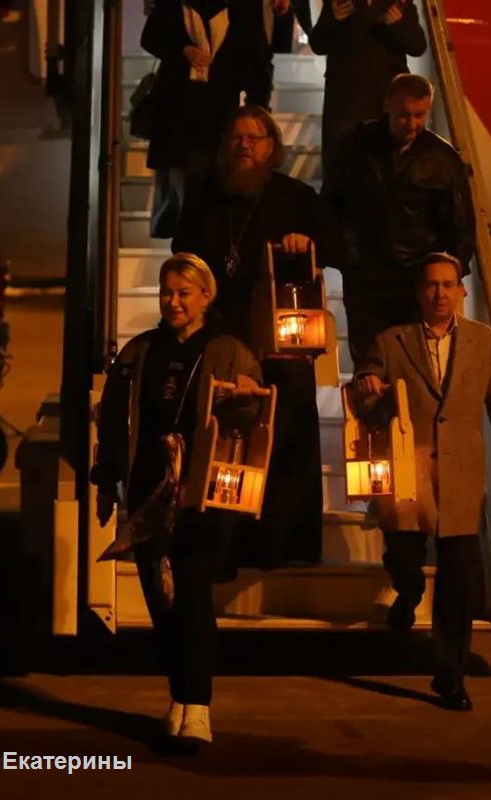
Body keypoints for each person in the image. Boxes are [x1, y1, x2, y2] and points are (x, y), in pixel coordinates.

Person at [92, 253, 264, 744]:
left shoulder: (230, 350)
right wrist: (107, 480)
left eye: (183, 293)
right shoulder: (140, 350)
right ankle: (179, 697)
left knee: (191, 591)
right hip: (150, 489)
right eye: (166, 292)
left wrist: (247, 396)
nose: (173, 302)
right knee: (161, 600)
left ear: (206, 297)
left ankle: (198, 706)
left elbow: (252, 420)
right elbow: (113, 420)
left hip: (205, 491)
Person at [174, 106, 347, 567]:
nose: (244, 145)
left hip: (281, 338)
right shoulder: (205, 198)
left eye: (255, 138)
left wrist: (305, 244)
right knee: (225, 443)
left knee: (287, 440)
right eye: (236, 138)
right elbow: (183, 254)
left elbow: (338, 247)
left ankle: (285, 548)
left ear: (273, 148)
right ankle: (224, 549)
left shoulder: (295, 197)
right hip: (224, 337)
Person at [350, 253, 491, 712]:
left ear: (462, 291)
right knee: (405, 555)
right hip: (409, 468)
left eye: (448, 285)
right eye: (431, 285)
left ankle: (450, 676)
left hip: (460, 474)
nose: (440, 293)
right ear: (419, 292)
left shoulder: (484, 342)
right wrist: (367, 385)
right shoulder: (392, 342)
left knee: (458, 581)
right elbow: (364, 392)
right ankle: (408, 591)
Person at [323, 73, 476, 366]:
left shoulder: (440, 157)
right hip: (369, 275)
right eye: (405, 115)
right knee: (372, 361)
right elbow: (331, 205)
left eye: (420, 115)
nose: (413, 124)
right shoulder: (356, 146)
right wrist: (345, 255)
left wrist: (451, 273)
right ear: (387, 106)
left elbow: (461, 224)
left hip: (413, 279)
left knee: (415, 362)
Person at [139, 0, 281, 239]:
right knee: (184, 197)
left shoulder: (242, 8)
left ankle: (204, 249)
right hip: (177, 116)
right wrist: (183, 50)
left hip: (219, 115)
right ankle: (187, 251)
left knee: (212, 192)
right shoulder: (174, 4)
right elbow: (151, 38)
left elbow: (257, 60)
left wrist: (257, 109)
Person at [308, 0, 427, 178]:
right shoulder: (339, 3)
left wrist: (397, 24)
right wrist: (333, 19)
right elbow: (318, 44)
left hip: (386, 100)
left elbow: (418, 46)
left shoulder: (398, 3)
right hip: (345, 99)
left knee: (385, 167)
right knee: (341, 166)